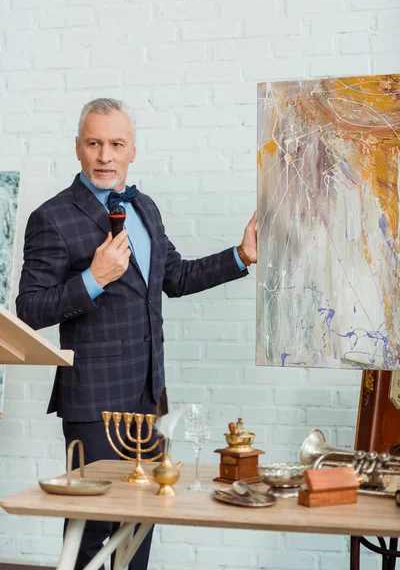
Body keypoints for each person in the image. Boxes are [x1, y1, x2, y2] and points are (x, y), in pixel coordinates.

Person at [16, 98, 257, 570]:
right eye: (95, 143)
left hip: (149, 396)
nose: (105, 155)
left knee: (142, 521)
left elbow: (176, 278)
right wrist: (94, 278)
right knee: (91, 528)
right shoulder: (53, 217)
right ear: (79, 149)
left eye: (116, 144)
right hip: (93, 402)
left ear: (132, 151)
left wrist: (241, 256)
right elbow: (29, 308)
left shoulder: (144, 207)